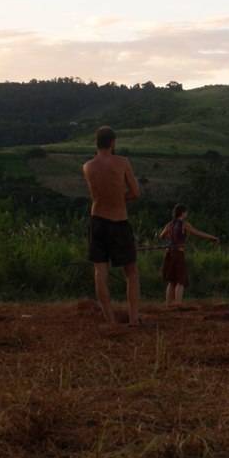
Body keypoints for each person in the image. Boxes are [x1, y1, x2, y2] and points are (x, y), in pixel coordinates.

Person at [82, 125, 141, 327]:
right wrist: (119, 198)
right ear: (113, 143)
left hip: (97, 221)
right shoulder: (122, 163)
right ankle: (133, 320)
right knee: (131, 272)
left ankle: (110, 321)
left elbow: (98, 194)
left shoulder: (87, 166)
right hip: (119, 222)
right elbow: (135, 193)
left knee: (100, 272)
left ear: (96, 143)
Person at [159, 203, 219, 304]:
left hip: (169, 253)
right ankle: (178, 304)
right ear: (183, 213)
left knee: (172, 281)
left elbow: (161, 236)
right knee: (180, 280)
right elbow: (198, 233)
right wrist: (213, 237)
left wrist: (170, 236)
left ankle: (168, 305)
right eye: (186, 212)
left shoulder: (169, 225)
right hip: (178, 254)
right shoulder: (184, 224)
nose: (186, 214)